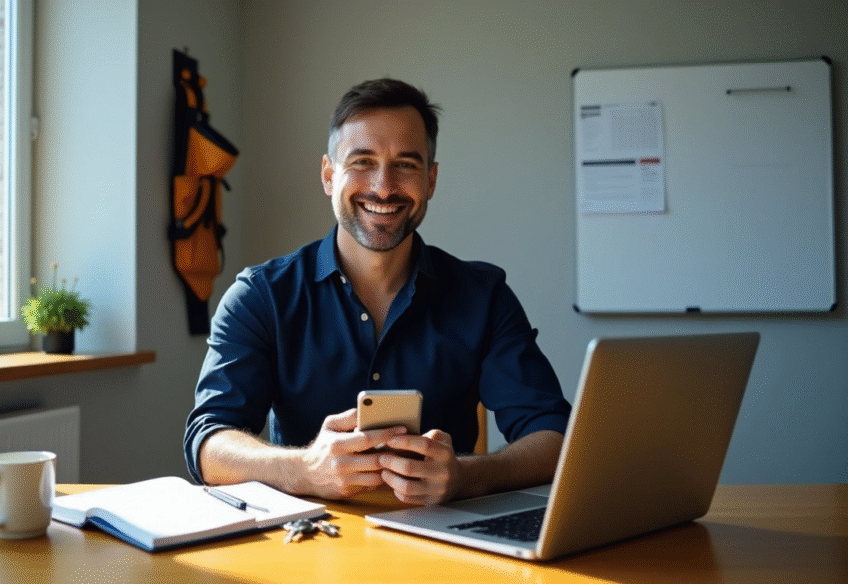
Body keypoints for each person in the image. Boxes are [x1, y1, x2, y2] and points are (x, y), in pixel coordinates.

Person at [184, 78, 570, 505]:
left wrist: (466, 477)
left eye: (405, 164)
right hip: (306, 538)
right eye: (363, 162)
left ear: (431, 180)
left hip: (446, 538)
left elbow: (555, 437)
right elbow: (209, 443)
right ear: (329, 175)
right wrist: (304, 469)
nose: (384, 187)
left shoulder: (484, 297)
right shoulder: (260, 296)